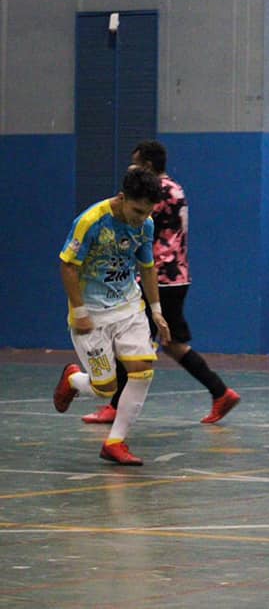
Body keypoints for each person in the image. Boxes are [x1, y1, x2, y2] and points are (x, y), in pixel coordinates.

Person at [80, 140, 241, 425]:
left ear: (148, 166)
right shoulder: (176, 188)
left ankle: (115, 406)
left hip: (159, 276)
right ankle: (220, 392)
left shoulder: (155, 193)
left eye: (136, 164)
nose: (132, 169)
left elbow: (130, 222)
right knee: (172, 343)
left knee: (129, 343)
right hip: (178, 275)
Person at [53, 167, 171, 465]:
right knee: (105, 389)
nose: (142, 218)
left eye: (148, 212)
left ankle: (115, 442)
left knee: (142, 370)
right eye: (137, 211)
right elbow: (68, 266)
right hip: (91, 313)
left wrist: (157, 312)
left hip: (128, 306)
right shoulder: (91, 222)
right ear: (122, 198)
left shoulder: (145, 225)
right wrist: (80, 311)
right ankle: (73, 379)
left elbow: (147, 268)